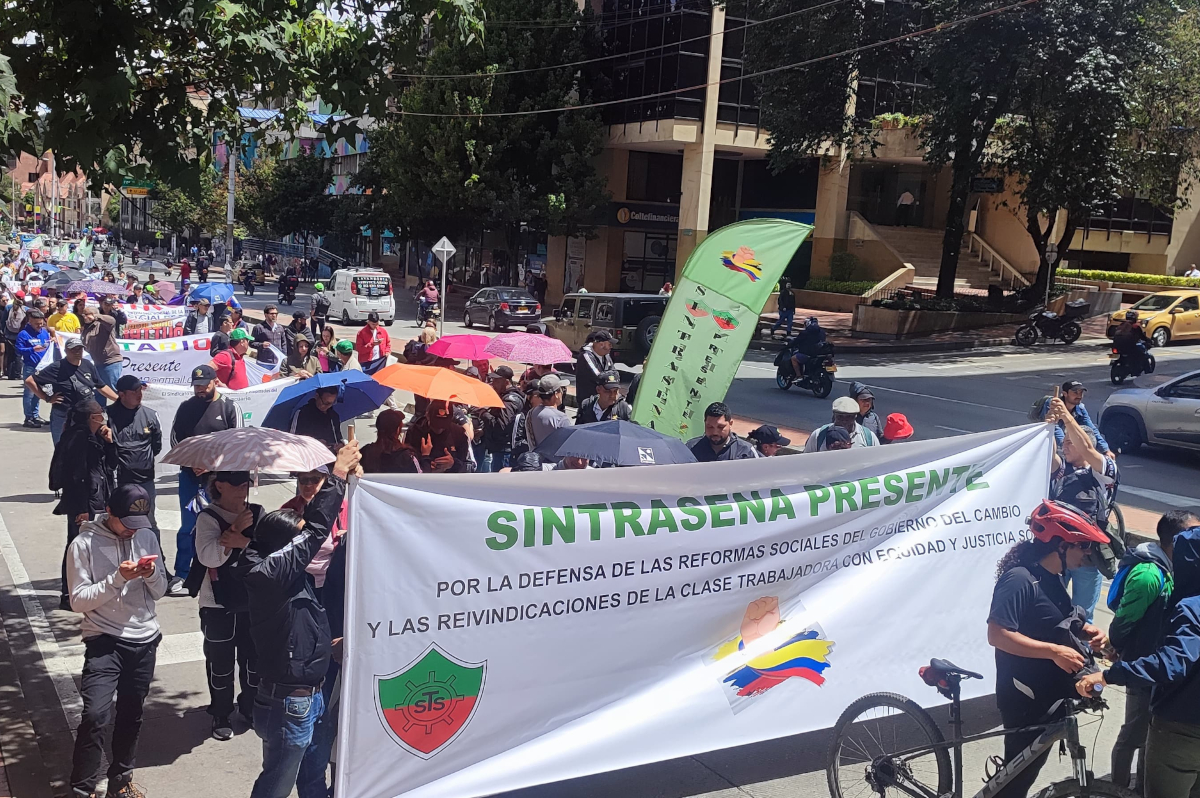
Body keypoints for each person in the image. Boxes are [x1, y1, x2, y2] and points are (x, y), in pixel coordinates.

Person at [237, 442, 359, 798]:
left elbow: (305, 629)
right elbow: (317, 530)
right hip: (289, 702)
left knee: (306, 767)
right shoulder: (271, 573)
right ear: (283, 548)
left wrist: (330, 646)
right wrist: (336, 475)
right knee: (277, 782)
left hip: (308, 693)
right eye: (298, 540)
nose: (307, 547)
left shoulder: (286, 574)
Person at [988, 500, 1110, 798]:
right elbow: (998, 634)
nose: (1087, 554)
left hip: (1050, 694)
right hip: (1025, 696)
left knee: (1023, 775)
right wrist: (1054, 652)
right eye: (1082, 545)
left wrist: (1086, 631)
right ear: (1059, 544)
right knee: (1014, 785)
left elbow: (1053, 620)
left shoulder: (1053, 580)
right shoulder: (1019, 579)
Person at [1076, 518, 1200, 798]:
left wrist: (1108, 674)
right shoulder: (1150, 575)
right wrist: (1112, 645)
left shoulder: (1192, 608)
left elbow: (1172, 662)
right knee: (1134, 734)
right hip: (1145, 675)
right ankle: (1121, 789)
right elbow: (1124, 622)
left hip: (1178, 723)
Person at [65, 483, 168, 798]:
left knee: (131, 713)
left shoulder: (146, 536)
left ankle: (120, 782)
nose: (132, 532)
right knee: (95, 714)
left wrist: (150, 574)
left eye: (139, 525)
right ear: (109, 512)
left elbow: (161, 589)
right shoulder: (83, 545)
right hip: (104, 639)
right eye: (127, 523)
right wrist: (118, 578)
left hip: (144, 637)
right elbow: (79, 601)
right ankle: (82, 788)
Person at [194, 470, 261, 741]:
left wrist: (243, 540)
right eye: (235, 483)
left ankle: (250, 708)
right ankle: (221, 713)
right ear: (219, 485)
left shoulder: (258, 512)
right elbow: (209, 557)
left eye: (245, 482)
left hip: (253, 600)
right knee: (220, 664)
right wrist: (234, 529)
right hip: (217, 604)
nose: (241, 488)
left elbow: (269, 553)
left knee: (254, 662)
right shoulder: (207, 518)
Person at [1046, 395, 1118, 622]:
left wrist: (1067, 417)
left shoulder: (1104, 471)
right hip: (1058, 552)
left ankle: (1081, 653)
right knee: (1049, 607)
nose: (1065, 447)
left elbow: (1087, 448)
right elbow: (1048, 455)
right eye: (1064, 442)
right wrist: (1048, 427)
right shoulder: (1062, 470)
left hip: (1087, 557)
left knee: (1082, 615)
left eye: (1070, 442)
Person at [169, 365, 241, 593]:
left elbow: (237, 443)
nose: (199, 390)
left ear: (215, 382)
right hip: (190, 477)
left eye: (203, 385)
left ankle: (220, 569)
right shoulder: (186, 407)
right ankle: (182, 573)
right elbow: (175, 441)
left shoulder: (230, 407)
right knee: (188, 526)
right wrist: (192, 463)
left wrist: (211, 466)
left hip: (221, 480)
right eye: (196, 386)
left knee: (223, 523)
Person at [51, 400, 119, 609]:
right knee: (77, 548)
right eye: (100, 413)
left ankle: (84, 591)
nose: (103, 416)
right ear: (92, 417)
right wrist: (82, 509)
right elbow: (78, 476)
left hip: (96, 501)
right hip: (84, 505)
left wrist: (109, 443)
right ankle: (69, 594)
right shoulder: (79, 438)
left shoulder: (94, 437)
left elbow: (111, 466)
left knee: (88, 548)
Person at [107, 376, 168, 580]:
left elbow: (156, 445)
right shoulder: (109, 416)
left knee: (149, 522)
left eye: (140, 390)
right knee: (118, 523)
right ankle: (119, 569)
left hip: (145, 480)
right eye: (134, 392)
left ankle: (159, 567)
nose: (139, 394)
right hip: (120, 481)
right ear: (122, 394)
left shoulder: (150, 415)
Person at [28, 337, 118, 445]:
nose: (77, 352)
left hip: (87, 415)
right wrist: (46, 398)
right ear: (66, 351)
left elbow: (101, 387)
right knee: (62, 449)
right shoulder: (57, 367)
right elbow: (30, 381)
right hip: (64, 415)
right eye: (73, 350)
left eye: (80, 349)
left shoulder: (88, 364)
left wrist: (119, 400)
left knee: (89, 448)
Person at [1042, 380, 1111, 457]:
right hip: (1047, 439)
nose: (1079, 396)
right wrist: (1066, 447)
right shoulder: (1053, 404)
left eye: (1081, 392)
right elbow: (1055, 429)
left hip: (1065, 438)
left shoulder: (1080, 408)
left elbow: (1091, 429)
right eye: (1075, 393)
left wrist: (1105, 450)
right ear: (1065, 394)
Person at [404, 399, 475, 473]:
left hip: (450, 480)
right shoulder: (414, 432)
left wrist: (453, 464)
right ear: (427, 415)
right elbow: (405, 464)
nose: (439, 429)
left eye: (444, 425)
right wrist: (425, 463)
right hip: (423, 480)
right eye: (436, 424)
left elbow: (471, 466)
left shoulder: (459, 433)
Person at [477, 366, 525, 472]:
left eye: (496, 380)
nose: (493, 383)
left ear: (506, 382)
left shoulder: (511, 400)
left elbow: (501, 426)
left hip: (504, 452)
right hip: (499, 449)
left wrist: (483, 413)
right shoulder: (504, 396)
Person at [79, 305, 124, 407]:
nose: (84, 317)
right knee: (99, 390)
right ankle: (100, 412)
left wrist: (97, 317)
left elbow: (112, 320)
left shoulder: (102, 324)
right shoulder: (87, 327)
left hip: (110, 362)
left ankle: (125, 407)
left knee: (113, 388)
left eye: (86, 314)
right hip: (98, 363)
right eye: (83, 315)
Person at [688, 402, 759, 462]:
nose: (715, 432)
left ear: (730, 424)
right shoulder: (690, 448)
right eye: (710, 427)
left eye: (720, 427)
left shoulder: (745, 451)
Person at [804, 396, 881, 452]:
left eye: (848, 417)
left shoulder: (868, 438)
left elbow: (878, 462)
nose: (844, 421)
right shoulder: (818, 435)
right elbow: (806, 461)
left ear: (855, 416)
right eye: (840, 417)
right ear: (834, 415)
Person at [16, 308, 51, 427]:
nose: (39, 326)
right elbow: (18, 350)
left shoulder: (44, 332)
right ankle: (28, 417)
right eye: (37, 324)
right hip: (30, 367)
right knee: (29, 393)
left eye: (41, 323)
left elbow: (47, 344)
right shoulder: (23, 334)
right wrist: (32, 349)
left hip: (43, 368)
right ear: (30, 321)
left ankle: (35, 415)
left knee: (38, 393)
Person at [360, 409, 421, 474]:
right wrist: (426, 456)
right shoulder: (407, 457)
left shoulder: (365, 452)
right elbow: (419, 479)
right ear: (398, 430)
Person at [524, 374, 572, 453]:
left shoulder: (532, 412)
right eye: (561, 390)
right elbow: (568, 446)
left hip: (536, 461)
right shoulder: (560, 418)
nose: (562, 393)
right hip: (554, 463)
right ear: (556, 394)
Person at [289, 387, 343, 453]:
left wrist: (340, 444)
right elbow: (292, 438)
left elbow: (338, 438)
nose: (328, 406)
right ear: (317, 396)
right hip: (308, 456)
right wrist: (314, 443)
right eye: (325, 403)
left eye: (332, 403)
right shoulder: (302, 413)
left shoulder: (333, 416)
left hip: (331, 458)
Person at [575, 329, 614, 402]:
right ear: (601, 344)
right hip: (589, 401)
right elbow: (598, 376)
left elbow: (615, 373)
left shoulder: (606, 356)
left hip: (603, 400)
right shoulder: (585, 356)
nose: (611, 346)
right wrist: (610, 378)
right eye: (609, 344)